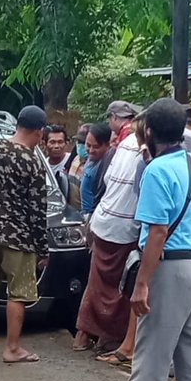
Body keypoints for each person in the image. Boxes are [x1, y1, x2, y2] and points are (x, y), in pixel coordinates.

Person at [96, 98, 191, 381]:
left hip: (170, 270)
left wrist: (143, 283)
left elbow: (158, 232)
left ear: (148, 131)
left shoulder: (156, 172)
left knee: (150, 360)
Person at [0, 105, 48, 364]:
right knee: (18, 293)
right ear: (39, 132)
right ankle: (12, 348)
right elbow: (38, 209)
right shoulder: (33, 162)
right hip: (20, 236)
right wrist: (43, 248)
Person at [72, 101, 142, 354]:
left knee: (98, 282)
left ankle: (84, 335)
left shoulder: (122, 146)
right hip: (126, 228)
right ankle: (107, 338)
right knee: (123, 287)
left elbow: (106, 181)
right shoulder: (144, 150)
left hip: (104, 223)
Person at [80, 123, 111, 217]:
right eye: (88, 145)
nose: (91, 150)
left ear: (107, 145)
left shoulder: (107, 166)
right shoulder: (90, 159)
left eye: (96, 147)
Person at [66, 123, 89, 208]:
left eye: (84, 142)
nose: (80, 145)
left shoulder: (94, 166)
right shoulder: (75, 159)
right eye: (79, 142)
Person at [45, 125, 71, 199]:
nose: (56, 146)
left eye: (60, 142)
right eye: (52, 142)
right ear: (45, 144)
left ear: (66, 143)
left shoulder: (73, 162)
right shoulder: (43, 166)